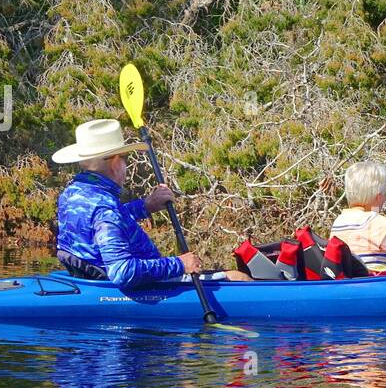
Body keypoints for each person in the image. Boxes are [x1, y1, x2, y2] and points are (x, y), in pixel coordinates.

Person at [52, 118, 251, 287]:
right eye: (125, 158)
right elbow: (122, 272)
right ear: (114, 162)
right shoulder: (105, 207)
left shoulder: (73, 192)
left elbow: (103, 223)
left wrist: (146, 206)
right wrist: (179, 264)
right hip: (143, 286)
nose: (126, 164)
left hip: (92, 277)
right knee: (238, 277)